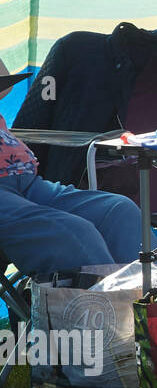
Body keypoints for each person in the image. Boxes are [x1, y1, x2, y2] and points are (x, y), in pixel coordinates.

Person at [0, 58, 144, 274]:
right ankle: (114, 305)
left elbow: (5, 84)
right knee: (71, 231)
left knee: (119, 212)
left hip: (26, 181)